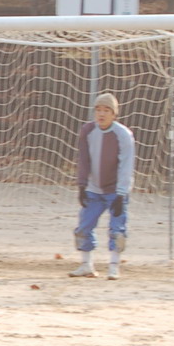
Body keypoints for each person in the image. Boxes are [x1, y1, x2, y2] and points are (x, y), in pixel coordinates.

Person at [70, 91, 135, 281]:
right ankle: (86, 265)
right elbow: (83, 159)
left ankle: (114, 267)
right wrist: (82, 185)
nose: (101, 114)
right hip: (93, 188)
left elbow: (126, 164)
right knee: (83, 226)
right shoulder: (88, 131)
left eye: (106, 110)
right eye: (98, 109)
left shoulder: (123, 135)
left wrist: (121, 193)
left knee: (117, 230)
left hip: (115, 190)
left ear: (114, 114)